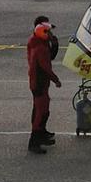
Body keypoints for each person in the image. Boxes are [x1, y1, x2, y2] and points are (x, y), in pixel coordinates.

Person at [27, 20, 61, 153]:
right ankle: (34, 142)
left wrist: (54, 44)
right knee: (40, 112)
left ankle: (41, 135)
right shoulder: (39, 48)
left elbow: (49, 57)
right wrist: (56, 80)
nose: (51, 34)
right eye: (48, 32)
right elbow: (46, 66)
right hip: (39, 83)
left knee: (44, 110)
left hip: (41, 82)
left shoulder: (40, 43)